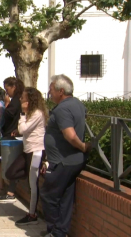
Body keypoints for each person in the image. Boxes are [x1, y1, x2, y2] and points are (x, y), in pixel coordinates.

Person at [41, 75, 91, 237]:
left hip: (62, 162)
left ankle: (55, 232)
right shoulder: (78, 104)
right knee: (65, 198)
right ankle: (60, 232)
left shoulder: (62, 109)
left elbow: (69, 135)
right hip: (71, 160)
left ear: (61, 91)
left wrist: (83, 146)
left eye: (51, 89)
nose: (49, 93)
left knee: (49, 196)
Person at [8, 87, 48, 226]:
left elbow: (23, 129)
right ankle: (30, 173)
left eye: (23, 97)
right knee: (11, 172)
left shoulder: (37, 113)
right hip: (27, 150)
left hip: (36, 151)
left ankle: (32, 215)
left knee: (33, 185)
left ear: (29, 100)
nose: (20, 99)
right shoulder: (31, 113)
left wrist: (23, 114)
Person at [0, 77, 24, 199]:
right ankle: (5, 188)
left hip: (8, 136)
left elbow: (6, 115)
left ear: (14, 87)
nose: (6, 92)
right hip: (7, 135)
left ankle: (6, 188)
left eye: (8, 89)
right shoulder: (12, 101)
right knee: (6, 161)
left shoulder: (14, 102)